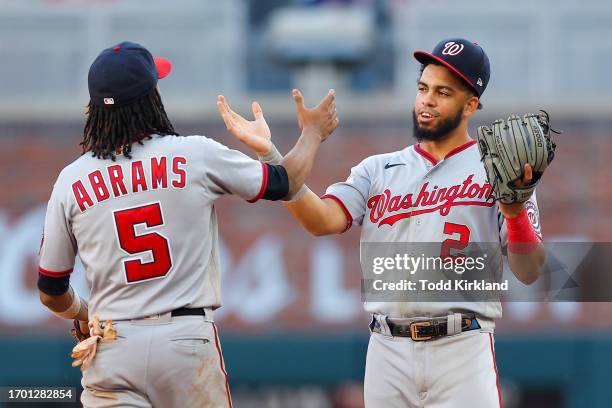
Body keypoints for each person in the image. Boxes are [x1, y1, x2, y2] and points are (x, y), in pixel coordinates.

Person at [219, 37, 546, 407]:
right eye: (423, 88)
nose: (427, 100)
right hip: (387, 349)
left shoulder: (500, 171)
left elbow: (530, 270)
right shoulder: (378, 169)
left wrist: (515, 212)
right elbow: (321, 220)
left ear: (470, 104)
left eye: (443, 92)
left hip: (462, 346)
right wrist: (271, 154)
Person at [37, 41, 338, 408]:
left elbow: (51, 289)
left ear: (95, 108)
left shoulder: (71, 180)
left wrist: (84, 314)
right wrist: (312, 134)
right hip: (185, 341)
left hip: (113, 344)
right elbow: (285, 183)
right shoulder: (192, 153)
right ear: (151, 99)